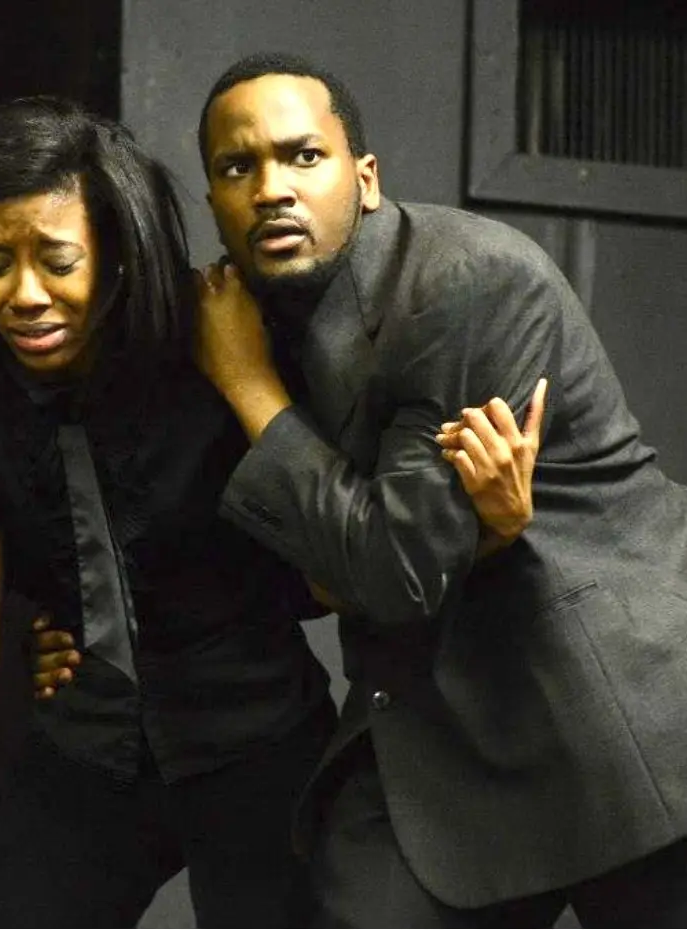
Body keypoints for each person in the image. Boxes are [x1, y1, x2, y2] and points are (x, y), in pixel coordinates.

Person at [0, 95, 537, 928]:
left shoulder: (221, 342)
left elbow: (343, 561)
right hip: (85, 743)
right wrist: (64, 622)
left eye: (56, 261)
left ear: (114, 257)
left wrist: (485, 527)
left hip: (252, 738)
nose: (23, 295)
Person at [194, 52, 687, 926]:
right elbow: (303, 573)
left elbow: (393, 571)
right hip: (428, 715)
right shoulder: (247, 314)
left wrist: (249, 390)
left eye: (303, 156)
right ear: (213, 203)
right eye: (239, 167)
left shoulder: (460, 281)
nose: (271, 187)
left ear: (366, 177)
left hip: (601, 690)